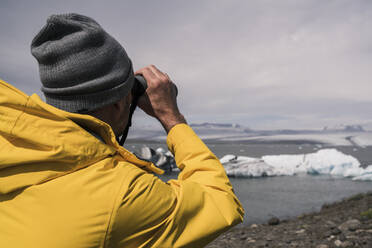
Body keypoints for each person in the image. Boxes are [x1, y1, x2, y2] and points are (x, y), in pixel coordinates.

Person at [0, 13, 244, 248]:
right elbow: (220, 201)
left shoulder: (10, 140)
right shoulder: (121, 194)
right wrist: (172, 118)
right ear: (119, 103)